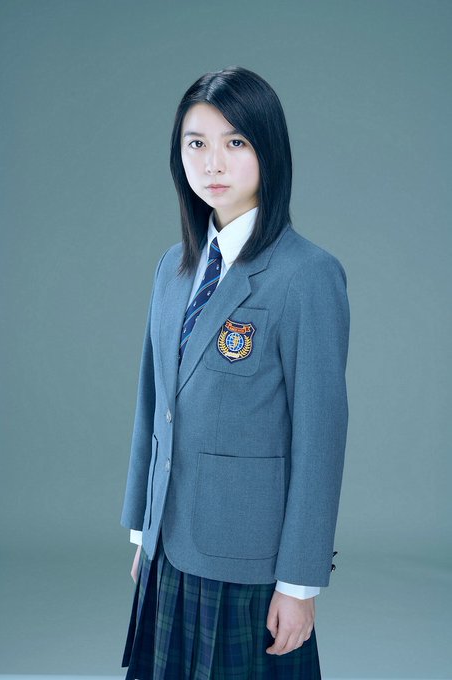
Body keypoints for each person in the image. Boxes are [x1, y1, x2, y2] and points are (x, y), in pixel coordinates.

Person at [120, 65, 350, 679]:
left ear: (268, 150)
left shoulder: (306, 275)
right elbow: (154, 405)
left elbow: (320, 438)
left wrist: (299, 583)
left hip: (249, 559)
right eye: (196, 143)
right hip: (169, 542)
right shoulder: (173, 268)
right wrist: (143, 530)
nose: (212, 163)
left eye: (235, 142)